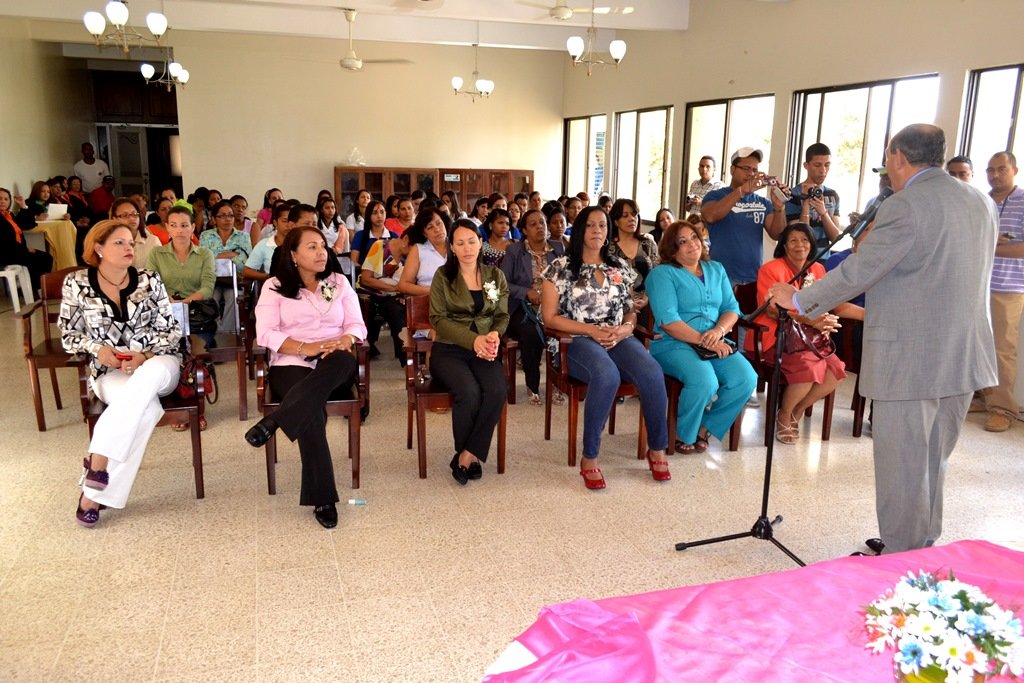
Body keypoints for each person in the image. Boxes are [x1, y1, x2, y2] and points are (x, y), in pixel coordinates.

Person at [769, 123, 998, 555]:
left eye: (888, 160)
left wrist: (799, 300)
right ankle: (921, 542)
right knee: (932, 458)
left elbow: (860, 272)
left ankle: (899, 555)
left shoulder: (905, 205)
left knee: (903, 463)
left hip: (912, 357)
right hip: (963, 352)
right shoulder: (980, 201)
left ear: (898, 156)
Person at [58, 219, 182, 527]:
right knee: (146, 409)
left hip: (159, 364)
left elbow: (171, 330)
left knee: (149, 375)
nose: (129, 248)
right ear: (98, 248)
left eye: (131, 243)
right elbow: (68, 334)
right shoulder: (77, 283)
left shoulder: (150, 279)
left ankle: (98, 460)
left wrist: (142, 355)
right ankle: (97, 495)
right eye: (119, 243)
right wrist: (99, 350)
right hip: (108, 373)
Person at [541, 206, 671, 489]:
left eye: (602, 226)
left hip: (616, 337)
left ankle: (657, 448)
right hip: (575, 340)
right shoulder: (560, 267)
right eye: (590, 226)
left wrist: (626, 327)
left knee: (651, 372)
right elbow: (549, 318)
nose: (597, 231)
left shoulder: (618, 267)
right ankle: (590, 456)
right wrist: (591, 330)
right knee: (607, 374)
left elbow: (629, 310)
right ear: (579, 230)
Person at [246, 226, 367, 529]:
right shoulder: (274, 286)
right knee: (309, 409)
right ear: (294, 255)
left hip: (333, 359)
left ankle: (274, 420)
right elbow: (266, 333)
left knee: (341, 363)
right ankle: (323, 497)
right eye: (311, 247)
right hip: (291, 360)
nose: (321, 252)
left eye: (323, 246)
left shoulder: (338, 282)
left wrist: (346, 340)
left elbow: (356, 324)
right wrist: (305, 347)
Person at [646, 220, 757, 452]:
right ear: (671, 249)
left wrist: (718, 333)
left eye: (694, 237)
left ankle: (706, 428)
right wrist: (706, 341)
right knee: (705, 381)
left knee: (746, 378)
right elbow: (668, 321)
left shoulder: (716, 269)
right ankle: (681, 433)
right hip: (673, 344)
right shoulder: (662, 274)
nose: (691, 244)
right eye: (682, 242)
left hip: (714, 341)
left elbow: (731, 308)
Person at [752, 222, 856, 444]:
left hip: (810, 339)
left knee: (836, 370)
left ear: (812, 244)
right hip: (776, 337)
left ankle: (794, 412)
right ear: (785, 246)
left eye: (805, 240)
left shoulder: (818, 269)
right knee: (810, 368)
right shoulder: (771, 269)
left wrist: (826, 319)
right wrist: (813, 320)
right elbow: (772, 310)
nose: (800, 245)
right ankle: (784, 414)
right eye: (793, 240)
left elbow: (826, 302)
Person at [428, 220, 509, 485]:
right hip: (449, 349)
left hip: (485, 347)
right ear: (452, 246)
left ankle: (467, 454)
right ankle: (469, 454)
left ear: (480, 242)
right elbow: (438, 320)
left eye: (472, 241)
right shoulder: (443, 276)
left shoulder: (494, 276)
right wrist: (474, 340)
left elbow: (501, 314)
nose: (467, 248)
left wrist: (494, 335)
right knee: (470, 392)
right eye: (460, 243)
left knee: (497, 390)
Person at [146, 205, 216, 428]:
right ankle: (176, 409)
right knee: (170, 353)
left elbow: (208, 286)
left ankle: (198, 409)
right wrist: (170, 301)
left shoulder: (204, 254)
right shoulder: (157, 254)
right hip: (165, 313)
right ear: (167, 227)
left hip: (197, 313)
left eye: (184, 225)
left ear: (193, 227)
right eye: (173, 225)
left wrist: (185, 301)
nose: (179, 230)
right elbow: (152, 284)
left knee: (196, 353)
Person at [501, 208, 564, 405]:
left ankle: (557, 382)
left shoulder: (558, 249)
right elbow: (504, 283)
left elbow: (567, 279)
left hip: (553, 305)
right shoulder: (514, 251)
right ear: (525, 231)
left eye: (542, 223)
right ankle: (533, 384)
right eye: (533, 224)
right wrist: (527, 292)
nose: (540, 227)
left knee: (563, 329)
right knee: (531, 331)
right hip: (521, 306)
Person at [980, 151, 1024, 433]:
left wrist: (988, 247)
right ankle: (980, 397)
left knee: (1002, 349)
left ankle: (1003, 408)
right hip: (976, 285)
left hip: (1008, 287)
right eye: (990, 170)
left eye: (1001, 169)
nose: (995, 175)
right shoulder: (982, 201)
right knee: (975, 344)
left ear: (1015, 170)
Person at [702, 147, 789, 287]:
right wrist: (741, 191)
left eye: (754, 170)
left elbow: (777, 234)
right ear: (732, 170)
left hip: (753, 278)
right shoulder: (715, 196)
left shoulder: (763, 203)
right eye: (746, 168)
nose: (751, 174)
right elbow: (710, 216)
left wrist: (779, 208)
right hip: (721, 278)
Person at [199, 199, 251, 333]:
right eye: (222, 216)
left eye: (230, 215)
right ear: (214, 219)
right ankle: (215, 332)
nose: (227, 219)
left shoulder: (243, 237)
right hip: (211, 280)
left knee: (233, 298)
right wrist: (229, 254)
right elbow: (204, 260)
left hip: (234, 280)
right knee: (211, 298)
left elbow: (244, 262)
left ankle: (227, 335)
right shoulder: (206, 236)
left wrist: (216, 256)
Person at [785, 143, 842, 261]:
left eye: (827, 165)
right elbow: (799, 235)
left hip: (824, 261)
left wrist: (823, 213)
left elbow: (835, 237)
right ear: (806, 165)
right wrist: (805, 206)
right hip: (800, 262)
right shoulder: (793, 195)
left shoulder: (832, 195)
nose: (823, 170)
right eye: (817, 165)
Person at [359, 231, 409, 362]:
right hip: (373, 293)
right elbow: (366, 279)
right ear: (406, 240)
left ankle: (406, 353)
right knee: (393, 308)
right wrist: (396, 289)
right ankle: (404, 355)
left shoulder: (410, 257)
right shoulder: (380, 246)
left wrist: (403, 292)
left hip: (397, 296)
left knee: (399, 307)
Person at [607, 198, 658, 314]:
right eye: (625, 216)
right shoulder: (608, 247)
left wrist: (646, 299)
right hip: (617, 305)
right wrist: (628, 302)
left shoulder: (648, 243)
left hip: (648, 302)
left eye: (634, 214)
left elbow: (656, 275)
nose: (631, 218)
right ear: (615, 221)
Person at [0, 186, 54, 292]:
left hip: (14, 251)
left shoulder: (8, 215)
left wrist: (23, 206)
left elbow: (26, 224)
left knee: (45, 257)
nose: (2, 201)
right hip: (4, 254)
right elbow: (4, 240)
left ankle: (35, 288)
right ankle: (34, 289)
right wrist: (24, 249)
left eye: (6, 199)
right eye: (0, 198)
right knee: (38, 259)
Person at [398, 207, 450, 297]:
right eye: (430, 227)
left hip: (458, 303)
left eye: (439, 223)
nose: (437, 229)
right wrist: (434, 291)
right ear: (424, 233)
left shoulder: (457, 244)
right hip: (429, 302)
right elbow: (403, 285)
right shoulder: (418, 250)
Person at [243, 202, 292, 282]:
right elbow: (247, 271)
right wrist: (268, 277)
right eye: (284, 221)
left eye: (291, 221)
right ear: (275, 222)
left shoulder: (300, 244)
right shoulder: (264, 244)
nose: (288, 225)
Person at [109, 197, 161, 270]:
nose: (132, 218)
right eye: (125, 215)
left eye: (135, 214)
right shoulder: (108, 243)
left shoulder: (152, 241)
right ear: (114, 218)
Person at [349, 199, 396, 270]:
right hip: (365, 275)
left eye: (382, 212)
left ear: (386, 213)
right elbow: (354, 262)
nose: (379, 216)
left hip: (389, 276)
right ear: (368, 215)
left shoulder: (394, 236)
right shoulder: (360, 236)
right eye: (374, 213)